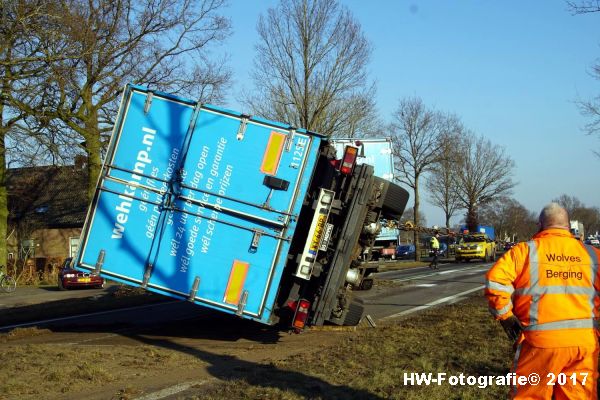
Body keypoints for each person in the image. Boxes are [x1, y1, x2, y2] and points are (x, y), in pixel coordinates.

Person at [485, 203, 600, 399]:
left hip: (540, 344)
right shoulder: (592, 255)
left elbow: (495, 282)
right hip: (584, 343)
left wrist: (505, 316)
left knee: (530, 394)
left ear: (540, 225)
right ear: (567, 226)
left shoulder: (524, 252)